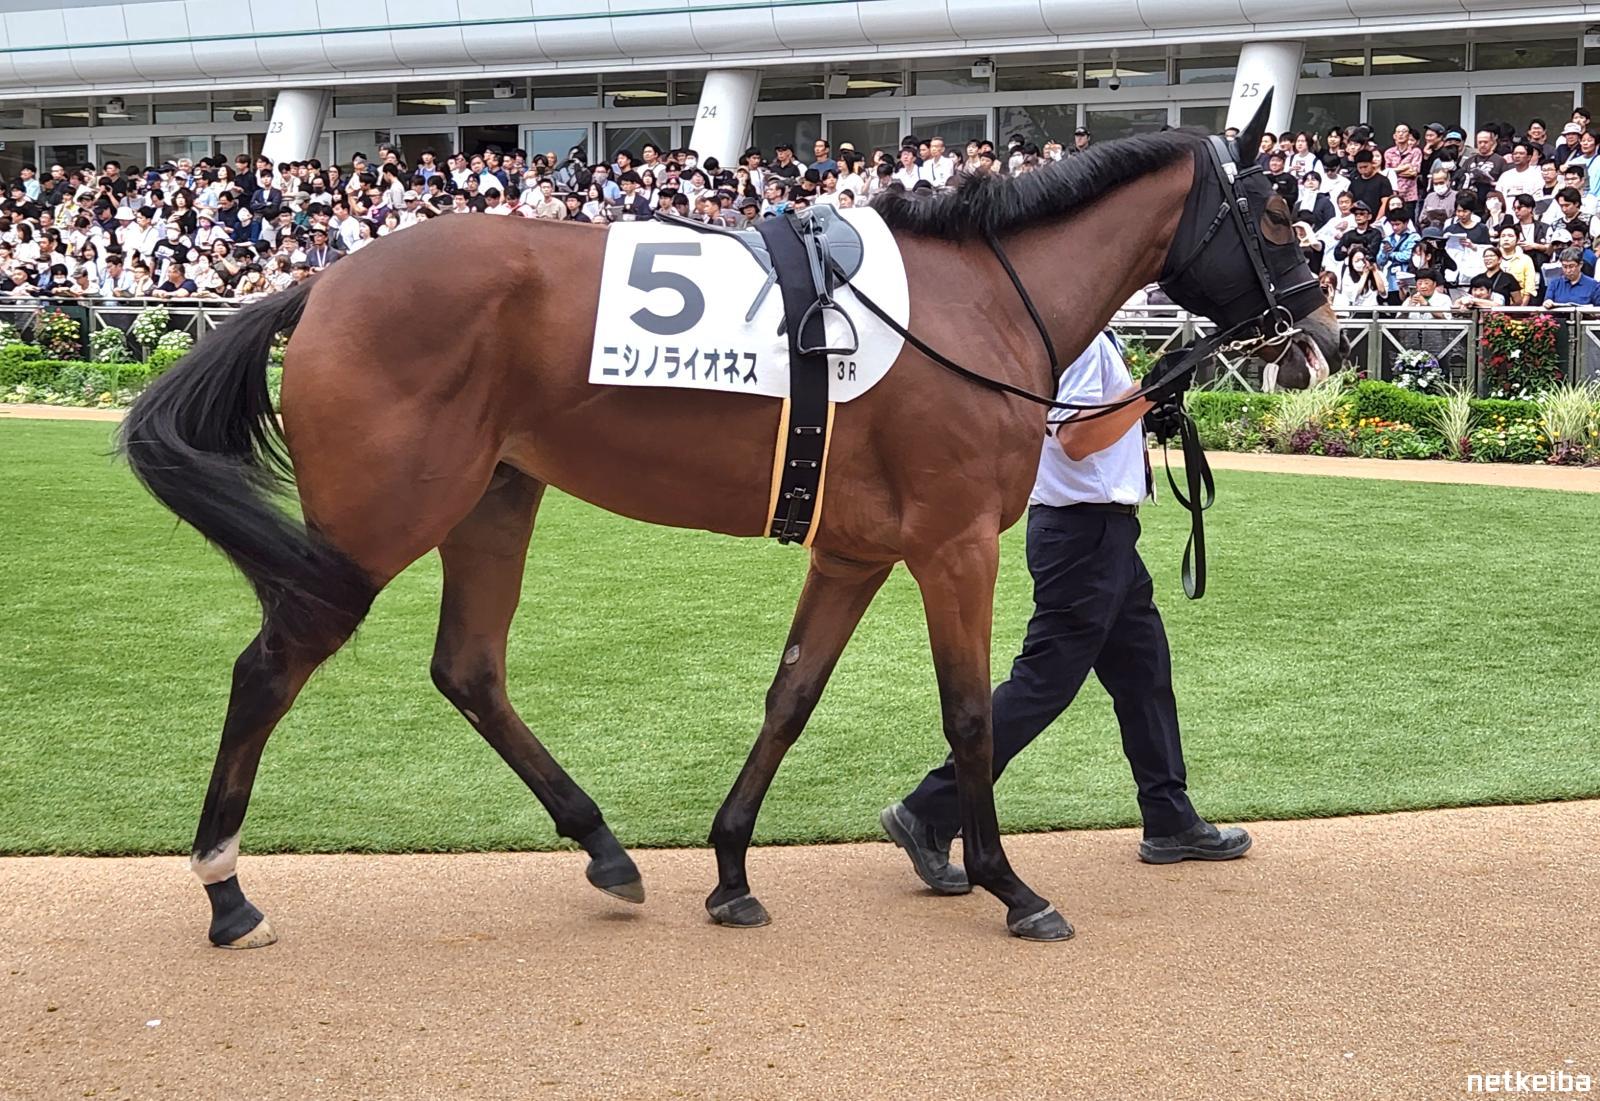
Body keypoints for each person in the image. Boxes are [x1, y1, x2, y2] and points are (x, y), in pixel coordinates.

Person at [879, 331, 1251, 893]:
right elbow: (1076, 437)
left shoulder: (1085, 335)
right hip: (1083, 536)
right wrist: (1150, 392)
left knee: (1144, 675)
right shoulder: (1077, 343)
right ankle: (929, 811)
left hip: (1102, 534)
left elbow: (1095, 427)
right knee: (1042, 684)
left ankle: (1170, 818)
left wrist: (1150, 408)